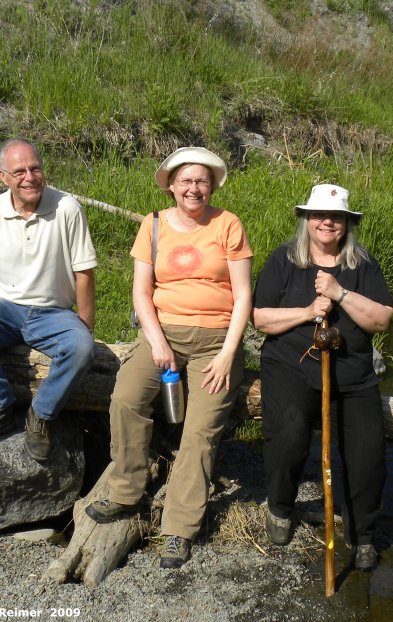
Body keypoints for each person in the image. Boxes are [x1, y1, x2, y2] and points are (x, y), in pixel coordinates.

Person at [85, 147, 253, 569]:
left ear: (211, 185)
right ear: (172, 185)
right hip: (163, 335)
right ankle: (126, 487)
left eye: (202, 181)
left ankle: (178, 528)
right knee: (125, 397)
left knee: (199, 431)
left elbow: (244, 295)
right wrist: (157, 342)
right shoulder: (153, 224)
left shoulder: (228, 224)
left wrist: (229, 354)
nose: (194, 188)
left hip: (217, 342)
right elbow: (142, 292)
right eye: (186, 181)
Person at [252, 183, 393, 571]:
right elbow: (260, 318)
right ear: (307, 220)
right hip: (290, 366)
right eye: (319, 215)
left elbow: (381, 319)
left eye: (336, 217)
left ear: (347, 224)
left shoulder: (362, 265)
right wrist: (306, 311)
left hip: (352, 374)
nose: (327, 222)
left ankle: (362, 534)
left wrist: (340, 293)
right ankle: (281, 508)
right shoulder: (285, 260)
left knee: (367, 454)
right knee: (290, 432)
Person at [0, 137, 97, 463]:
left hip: (54, 311)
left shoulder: (67, 208)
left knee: (83, 347)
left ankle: (40, 415)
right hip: (3, 308)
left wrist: (86, 328)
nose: (29, 177)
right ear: (3, 177)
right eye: (19, 172)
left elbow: (84, 273)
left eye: (35, 168)